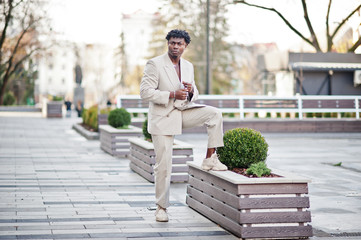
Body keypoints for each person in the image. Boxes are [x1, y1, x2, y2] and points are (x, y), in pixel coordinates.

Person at [140, 29, 227, 222]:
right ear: (168, 43)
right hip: (163, 117)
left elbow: (194, 93)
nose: (175, 46)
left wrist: (190, 92)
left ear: (185, 46)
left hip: (182, 112)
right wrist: (172, 94)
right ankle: (161, 208)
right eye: (172, 43)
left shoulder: (188, 66)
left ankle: (210, 158)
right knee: (164, 166)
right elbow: (145, 92)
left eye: (179, 44)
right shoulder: (154, 64)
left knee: (214, 114)